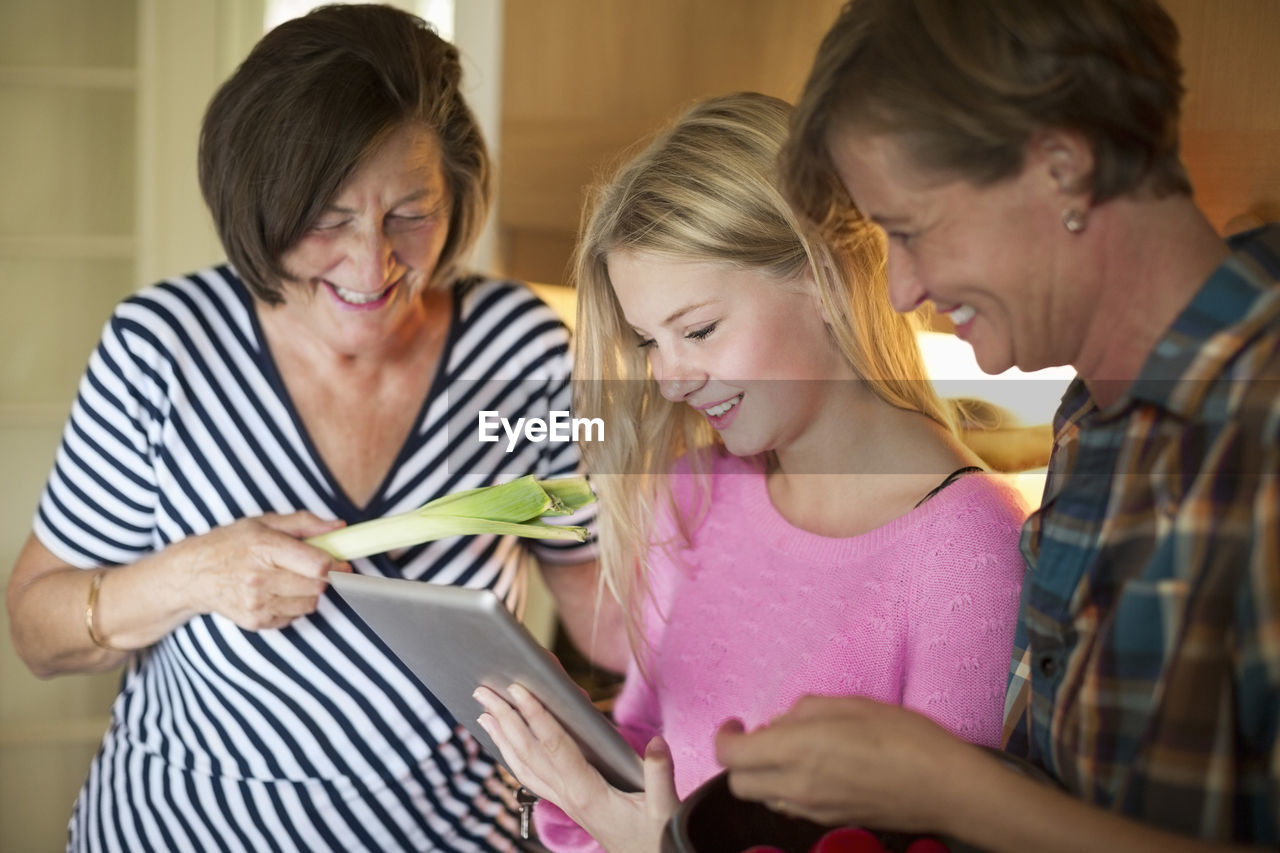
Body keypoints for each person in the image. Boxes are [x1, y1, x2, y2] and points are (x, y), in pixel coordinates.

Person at [4, 6, 614, 851]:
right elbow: (37, 629)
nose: (373, 266)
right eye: (328, 218)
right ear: (261, 202)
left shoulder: (520, 344)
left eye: (412, 212)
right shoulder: (165, 345)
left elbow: (602, 613)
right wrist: (196, 575)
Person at [714, 1, 1280, 850]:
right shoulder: (1096, 410)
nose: (901, 288)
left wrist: (947, 788)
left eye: (910, 231)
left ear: (1063, 168)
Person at [472, 92, 1029, 853]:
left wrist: (639, 837)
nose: (669, 379)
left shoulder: (969, 548)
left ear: (824, 275)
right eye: (648, 342)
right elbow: (645, 742)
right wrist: (571, 763)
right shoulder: (696, 494)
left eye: (698, 329)